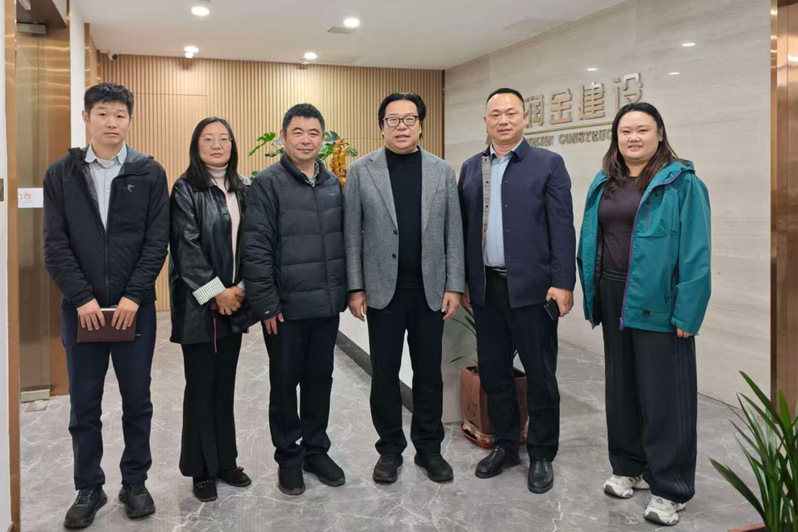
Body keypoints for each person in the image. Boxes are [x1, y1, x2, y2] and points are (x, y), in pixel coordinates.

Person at [577, 101, 711, 526]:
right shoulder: (606, 181)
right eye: (625, 131)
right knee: (622, 389)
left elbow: (697, 250)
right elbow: (593, 236)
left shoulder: (682, 183)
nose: (633, 138)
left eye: (642, 130)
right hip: (614, 294)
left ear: (659, 134)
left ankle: (671, 488)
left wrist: (688, 311)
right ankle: (628, 466)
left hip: (661, 301)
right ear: (616, 137)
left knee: (665, 396)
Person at [43, 83, 168, 528]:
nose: (111, 122)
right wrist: (82, 298)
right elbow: (55, 245)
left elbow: (157, 241)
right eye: (102, 113)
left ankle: (135, 481)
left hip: (136, 309)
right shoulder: (61, 174)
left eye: (119, 114)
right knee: (84, 403)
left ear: (130, 120)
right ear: (86, 117)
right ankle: (88, 487)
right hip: (82, 311)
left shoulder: (149, 172)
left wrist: (134, 296)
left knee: (138, 399)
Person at [458, 88, 576, 494]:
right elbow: (464, 230)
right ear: (485, 121)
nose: (503, 120)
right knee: (494, 373)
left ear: (525, 117)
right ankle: (506, 446)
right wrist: (465, 281)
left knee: (540, 375)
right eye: (495, 114)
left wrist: (563, 283)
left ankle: (541, 453)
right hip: (487, 290)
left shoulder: (548, 164)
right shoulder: (471, 168)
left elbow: (562, 227)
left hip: (534, 290)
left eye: (511, 113)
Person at [344, 92, 464, 485]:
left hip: (430, 292)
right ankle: (390, 450)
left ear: (420, 125)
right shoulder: (362, 171)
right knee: (385, 373)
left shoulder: (441, 171)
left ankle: (429, 449)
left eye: (409, 119)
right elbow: (352, 234)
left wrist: (454, 285)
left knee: (429, 374)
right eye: (392, 120)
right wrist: (355, 287)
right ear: (381, 126)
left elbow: (453, 232)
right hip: (384, 292)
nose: (401, 126)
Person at [242, 103, 347, 496]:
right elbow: (256, 248)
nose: (306, 139)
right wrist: (267, 303)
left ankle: (316, 451)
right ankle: (289, 457)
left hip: (325, 306)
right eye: (298, 132)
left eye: (314, 133)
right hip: (284, 310)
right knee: (285, 385)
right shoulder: (267, 183)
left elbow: (341, 242)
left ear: (323, 139)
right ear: (284, 136)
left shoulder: (333, 183)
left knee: (320, 381)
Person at [169, 117, 253, 502]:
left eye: (224, 139)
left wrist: (241, 290)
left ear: (233, 145)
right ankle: (201, 469)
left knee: (225, 385)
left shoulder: (244, 188)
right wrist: (216, 293)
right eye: (208, 139)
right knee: (201, 387)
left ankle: (226, 461)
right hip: (198, 306)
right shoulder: (185, 189)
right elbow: (185, 249)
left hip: (235, 303)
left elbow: (255, 242)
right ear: (196, 145)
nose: (217, 145)